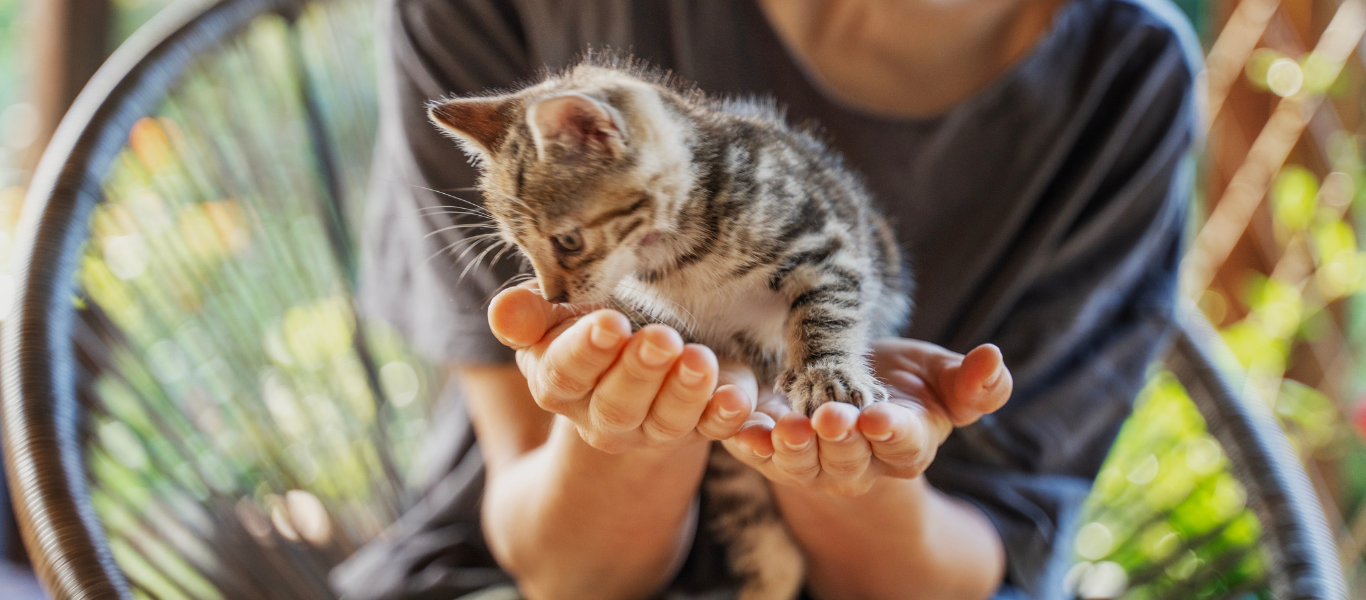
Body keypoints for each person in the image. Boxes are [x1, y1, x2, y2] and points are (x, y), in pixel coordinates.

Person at [338, 0, 1200, 598]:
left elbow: (961, 570)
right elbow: (563, 574)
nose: (551, 288)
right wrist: (636, 432)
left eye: (562, 252)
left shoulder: (1125, 76)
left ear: (604, 132)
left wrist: (839, 453)